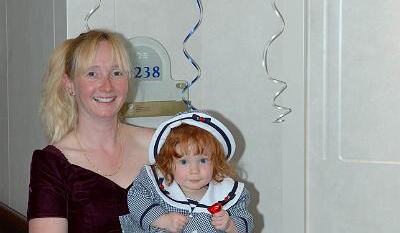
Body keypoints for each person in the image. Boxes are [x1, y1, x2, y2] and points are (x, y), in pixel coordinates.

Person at [27, 29, 154, 233]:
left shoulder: (159, 144)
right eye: (92, 74)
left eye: (116, 73)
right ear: (69, 84)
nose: (107, 86)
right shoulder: (52, 165)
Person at [119, 111, 254, 233]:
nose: (194, 170)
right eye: (184, 162)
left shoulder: (228, 194)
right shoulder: (155, 184)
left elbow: (245, 221)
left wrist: (230, 225)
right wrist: (162, 219)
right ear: (168, 163)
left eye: (203, 160)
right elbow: (136, 198)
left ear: (216, 162)